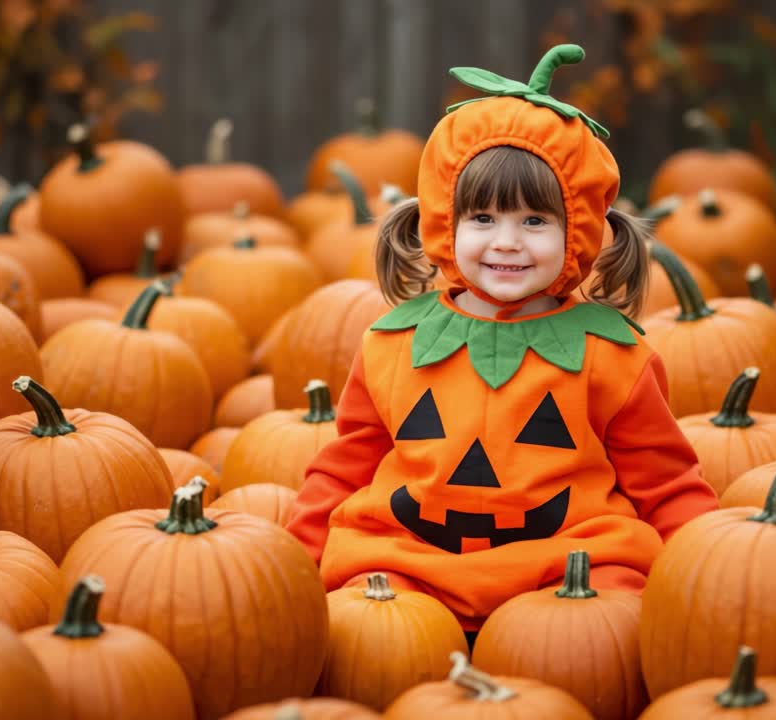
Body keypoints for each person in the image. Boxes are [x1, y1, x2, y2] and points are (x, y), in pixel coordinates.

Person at [285, 44, 718, 637]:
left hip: (570, 569)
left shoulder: (613, 357)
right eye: (483, 219)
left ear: (581, 228)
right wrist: (290, 566)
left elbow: (666, 484)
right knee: (369, 635)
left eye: (535, 221)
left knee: (611, 625)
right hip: (407, 567)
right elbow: (343, 469)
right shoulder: (392, 345)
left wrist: (711, 573)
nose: (507, 243)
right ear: (442, 220)